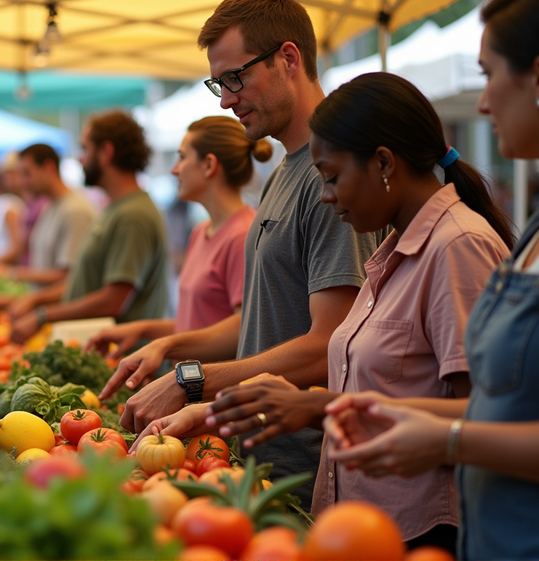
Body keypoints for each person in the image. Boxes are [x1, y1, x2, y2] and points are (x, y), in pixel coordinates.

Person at [143, 73, 513, 553]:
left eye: (333, 177)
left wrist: (318, 407)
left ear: (384, 163)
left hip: (421, 534)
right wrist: (227, 409)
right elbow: (381, 392)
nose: (325, 195)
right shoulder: (395, 250)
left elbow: (487, 420)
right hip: (360, 528)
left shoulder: (457, 247)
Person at [105, 0, 383, 510]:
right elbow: (256, 319)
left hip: (305, 478)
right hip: (252, 461)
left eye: (235, 77)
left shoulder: (330, 181)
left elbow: (330, 343)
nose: (227, 100)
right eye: (219, 84)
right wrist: (170, 349)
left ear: (289, 59)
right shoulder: (282, 176)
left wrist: (192, 380)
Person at [319, 1, 539, 558]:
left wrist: (447, 438)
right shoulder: (402, 245)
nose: (483, 102)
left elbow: (480, 410)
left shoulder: (458, 243)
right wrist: (364, 411)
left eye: (489, 74)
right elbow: (493, 408)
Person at [87, 116, 269, 358]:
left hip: (216, 382)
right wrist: (142, 330)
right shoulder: (201, 231)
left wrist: (165, 346)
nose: (174, 169)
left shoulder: (242, 235)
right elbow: (195, 324)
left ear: (209, 165)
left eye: (182, 157)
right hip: (188, 380)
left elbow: (242, 330)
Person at [9, 110, 170, 345]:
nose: (80, 158)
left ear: (106, 152)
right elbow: (81, 281)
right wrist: (36, 303)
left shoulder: (133, 215)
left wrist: (43, 315)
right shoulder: (115, 208)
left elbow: (112, 301)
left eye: (85, 149)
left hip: (124, 358)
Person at [0, 143, 96, 315]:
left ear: (48, 168)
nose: (22, 182)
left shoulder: (74, 211)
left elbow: (70, 279)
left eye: (27, 173)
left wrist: (11, 274)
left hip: (62, 317)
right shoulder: (49, 207)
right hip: (46, 313)